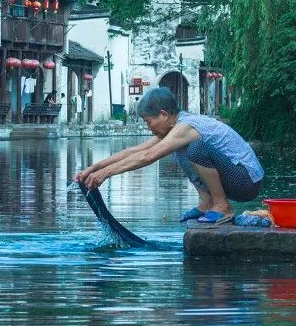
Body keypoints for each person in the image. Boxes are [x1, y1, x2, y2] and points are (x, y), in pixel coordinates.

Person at [75, 86, 264, 225]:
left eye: (149, 122)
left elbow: (148, 156)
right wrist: (94, 169)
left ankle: (222, 207)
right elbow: (136, 151)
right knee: (184, 150)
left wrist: (105, 175)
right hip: (237, 178)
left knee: (196, 149)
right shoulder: (175, 129)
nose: (148, 128)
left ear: (164, 115)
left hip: (246, 181)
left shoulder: (186, 126)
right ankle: (207, 203)